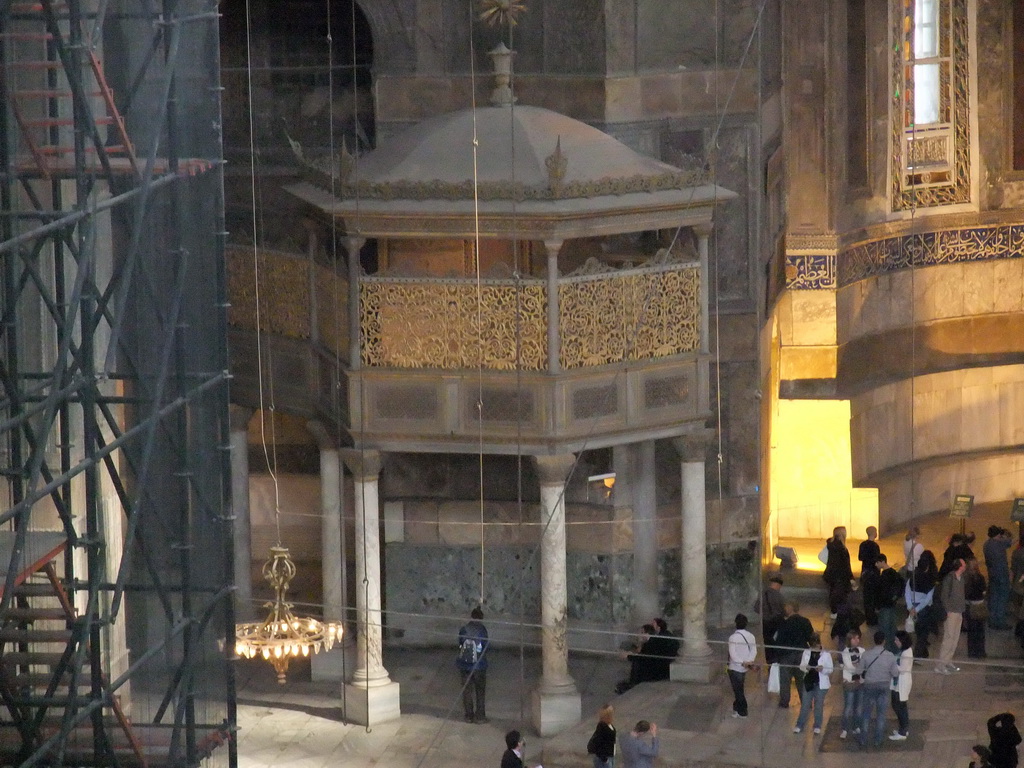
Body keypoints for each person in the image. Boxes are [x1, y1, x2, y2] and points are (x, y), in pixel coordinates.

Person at [858, 630, 900, 749]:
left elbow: (859, 671)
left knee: (866, 713)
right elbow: (895, 673)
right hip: (884, 686)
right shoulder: (890, 656)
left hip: (869, 686)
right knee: (881, 714)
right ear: (884, 642)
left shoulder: (866, 654)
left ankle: (863, 739)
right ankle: (878, 740)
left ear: (874, 641)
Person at [773, 601, 814, 709]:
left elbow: (779, 640)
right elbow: (811, 638)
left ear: (790, 609)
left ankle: (784, 702)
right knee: (801, 679)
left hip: (786, 655)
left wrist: (777, 656)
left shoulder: (784, 624)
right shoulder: (805, 621)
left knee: (785, 680)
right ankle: (806, 702)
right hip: (802, 654)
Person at [793, 633, 832, 735]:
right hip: (808, 681)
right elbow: (801, 666)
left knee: (818, 705)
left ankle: (817, 725)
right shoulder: (806, 652)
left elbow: (830, 669)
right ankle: (799, 724)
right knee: (805, 704)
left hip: (820, 683)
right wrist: (806, 667)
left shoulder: (826, 654)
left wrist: (822, 669)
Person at [457, 607, 489, 723]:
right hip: (479, 666)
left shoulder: (464, 629)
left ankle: (468, 716)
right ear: (481, 618)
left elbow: (460, 644)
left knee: (467, 691)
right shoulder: (482, 630)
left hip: (464, 665)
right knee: (480, 691)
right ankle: (480, 716)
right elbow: (486, 646)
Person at [906, 549, 940, 658]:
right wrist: (918, 608)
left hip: (913, 607)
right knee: (923, 633)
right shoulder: (930, 581)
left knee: (918, 630)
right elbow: (928, 599)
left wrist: (910, 607)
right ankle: (918, 655)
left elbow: (907, 593)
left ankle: (924, 653)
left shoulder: (912, 578)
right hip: (923, 609)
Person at [937, 558, 968, 674]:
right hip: (951, 612)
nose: (965, 566)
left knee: (955, 638)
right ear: (959, 567)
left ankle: (948, 660)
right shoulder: (950, 578)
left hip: (959, 611)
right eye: (963, 564)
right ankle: (941, 664)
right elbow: (944, 595)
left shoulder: (962, 578)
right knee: (949, 637)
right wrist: (948, 609)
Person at [727, 613, 757, 718]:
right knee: (739, 688)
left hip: (735, 667)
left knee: (738, 690)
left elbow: (733, 654)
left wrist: (742, 662)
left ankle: (743, 710)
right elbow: (753, 650)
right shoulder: (751, 636)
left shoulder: (733, 638)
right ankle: (736, 708)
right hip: (744, 667)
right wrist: (748, 661)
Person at [984, 526, 1015, 629]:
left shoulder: (987, 545)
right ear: (998, 535)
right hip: (1002, 574)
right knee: (1002, 598)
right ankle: (1000, 621)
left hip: (992, 574)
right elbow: (1010, 541)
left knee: (994, 597)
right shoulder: (1000, 544)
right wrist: (1005, 534)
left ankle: (992, 620)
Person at [616, 624, 661, 694]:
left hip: (651, 672)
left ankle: (633, 683)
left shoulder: (649, 644)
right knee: (635, 662)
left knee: (636, 663)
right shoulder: (650, 642)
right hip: (651, 667)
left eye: (641, 633)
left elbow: (642, 658)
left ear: (646, 634)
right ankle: (632, 683)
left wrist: (628, 656)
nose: (639, 635)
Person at [874, 554, 904, 652]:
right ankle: (895, 650)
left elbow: (881, 593)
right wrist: (895, 598)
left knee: (885, 629)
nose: (876, 565)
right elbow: (901, 587)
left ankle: (886, 650)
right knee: (892, 628)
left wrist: (877, 606)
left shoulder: (884, 576)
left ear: (882, 562)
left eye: (877, 562)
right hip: (892, 605)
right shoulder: (895, 573)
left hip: (885, 606)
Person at [823, 526, 854, 617]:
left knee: (832, 593)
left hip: (830, 574)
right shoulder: (842, 548)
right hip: (840, 576)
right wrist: (851, 578)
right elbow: (846, 565)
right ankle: (839, 613)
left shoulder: (830, 544)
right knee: (841, 596)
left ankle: (834, 612)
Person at [888, 630, 913, 740]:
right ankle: (903, 728)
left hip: (902, 681)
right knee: (898, 705)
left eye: (897, 640)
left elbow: (902, 669)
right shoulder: (903, 651)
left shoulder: (907, 652)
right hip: (897, 682)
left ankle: (903, 731)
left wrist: (892, 662)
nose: (895, 641)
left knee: (899, 706)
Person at [838, 629, 863, 740]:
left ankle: (856, 726)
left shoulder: (862, 650)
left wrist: (857, 666)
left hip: (860, 682)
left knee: (858, 707)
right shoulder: (845, 652)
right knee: (848, 707)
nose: (857, 640)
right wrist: (857, 666)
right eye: (854, 638)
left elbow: (863, 666)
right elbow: (849, 667)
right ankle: (844, 729)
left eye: (858, 638)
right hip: (849, 682)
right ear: (850, 640)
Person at [754, 575, 786, 664]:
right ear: (778, 585)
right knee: (777, 642)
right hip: (777, 623)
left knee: (767, 643)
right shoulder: (779, 596)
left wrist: (765, 613)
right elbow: (784, 611)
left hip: (766, 623)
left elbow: (756, 608)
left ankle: (769, 662)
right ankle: (777, 661)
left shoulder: (762, 594)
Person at [964, 558, 988, 659]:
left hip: (969, 606)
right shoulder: (981, 578)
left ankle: (972, 652)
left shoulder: (965, 578)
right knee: (980, 630)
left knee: (971, 630)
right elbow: (984, 591)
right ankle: (980, 652)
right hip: (979, 606)